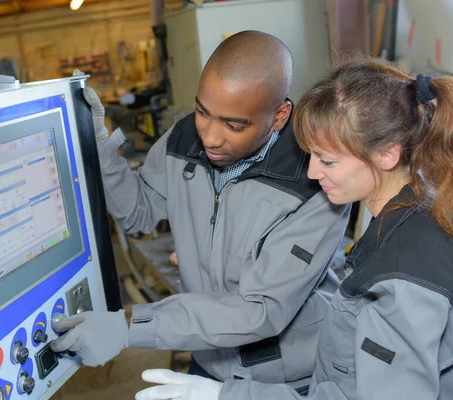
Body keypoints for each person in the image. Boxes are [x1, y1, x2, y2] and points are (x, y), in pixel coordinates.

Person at [134, 60, 453, 400]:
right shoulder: (416, 212)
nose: (312, 173)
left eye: (327, 160)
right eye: (310, 155)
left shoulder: (405, 272)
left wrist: (226, 397)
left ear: (387, 155)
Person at [51, 30, 350, 395]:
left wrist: (131, 325)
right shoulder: (183, 140)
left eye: (234, 124)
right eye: (203, 112)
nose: (210, 136)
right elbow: (138, 213)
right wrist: (99, 144)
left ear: (279, 116)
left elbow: (260, 311)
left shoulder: (314, 180)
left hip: (285, 380)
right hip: (208, 358)